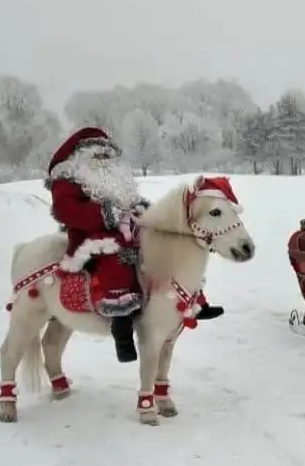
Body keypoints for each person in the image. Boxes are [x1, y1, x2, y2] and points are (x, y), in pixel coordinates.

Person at [45, 127, 223, 363]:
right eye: (98, 155)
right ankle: (122, 327)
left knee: (166, 251)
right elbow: (66, 210)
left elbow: (128, 202)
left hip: (128, 229)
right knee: (115, 261)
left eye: (108, 156)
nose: (104, 161)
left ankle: (196, 301)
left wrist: (141, 209)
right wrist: (105, 213)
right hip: (92, 237)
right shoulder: (68, 179)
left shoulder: (115, 180)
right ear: (82, 157)